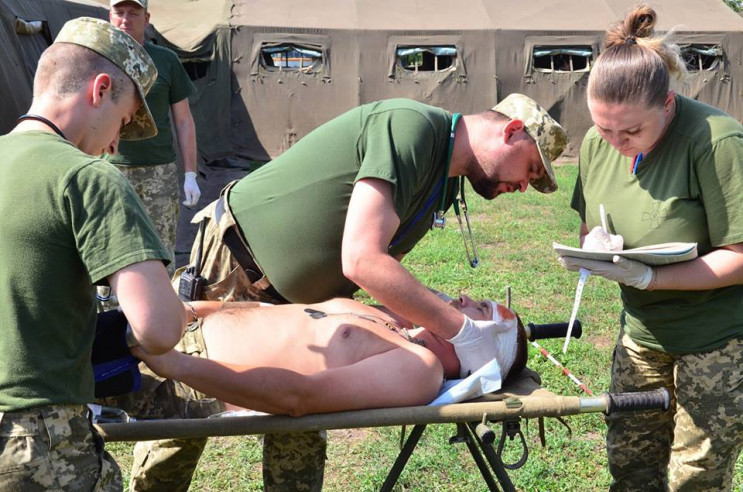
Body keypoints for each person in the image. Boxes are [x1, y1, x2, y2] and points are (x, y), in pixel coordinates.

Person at [131, 94, 567, 491]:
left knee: (299, 439)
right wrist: (463, 330)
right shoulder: (414, 130)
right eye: (530, 169)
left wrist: (443, 326)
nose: (524, 186)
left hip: (302, 307)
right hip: (240, 259)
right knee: (175, 433)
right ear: (511, 131)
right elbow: (362, 261)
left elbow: (372, 272)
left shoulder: (441, 179)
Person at [557, 5, 743, 491]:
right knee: (631, 468)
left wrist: (651, 277)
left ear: (667, 104)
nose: (616, 141)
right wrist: (595, 247)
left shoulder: (716, 141)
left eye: (632, 131)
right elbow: (586, 223)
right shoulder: (600, 144)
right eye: (603, 128)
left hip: (716, 341)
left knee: (695, 479)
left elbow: (741, 255)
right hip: (640, 336)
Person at [0, 17, 187, 490]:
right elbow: (160, 330)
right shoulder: (88, 177)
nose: (116, 143)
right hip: (36, 438)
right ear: (100, 89)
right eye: (123, 121)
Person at [136, 294, 528, 416]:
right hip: (175, 330)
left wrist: (178, 365)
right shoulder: (393, 323)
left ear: (480, 344)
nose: (463, 298)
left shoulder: (419, 368)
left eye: (477, 307)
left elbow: (298, 397)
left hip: (184, 376)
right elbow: (282, 313)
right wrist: (198, 308)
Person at [105, 0, 200, 278]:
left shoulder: (165, 60)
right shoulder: (96, 57)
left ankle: (159, 316)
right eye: (119, 13)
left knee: (160, 252)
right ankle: (108, 317)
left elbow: (183, 119)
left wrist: (191, 173)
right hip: (111, 169)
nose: (126, 19)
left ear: (147, 18)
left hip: (159, 171)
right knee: (109, 248)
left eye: (134, 13)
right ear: (109, 16)